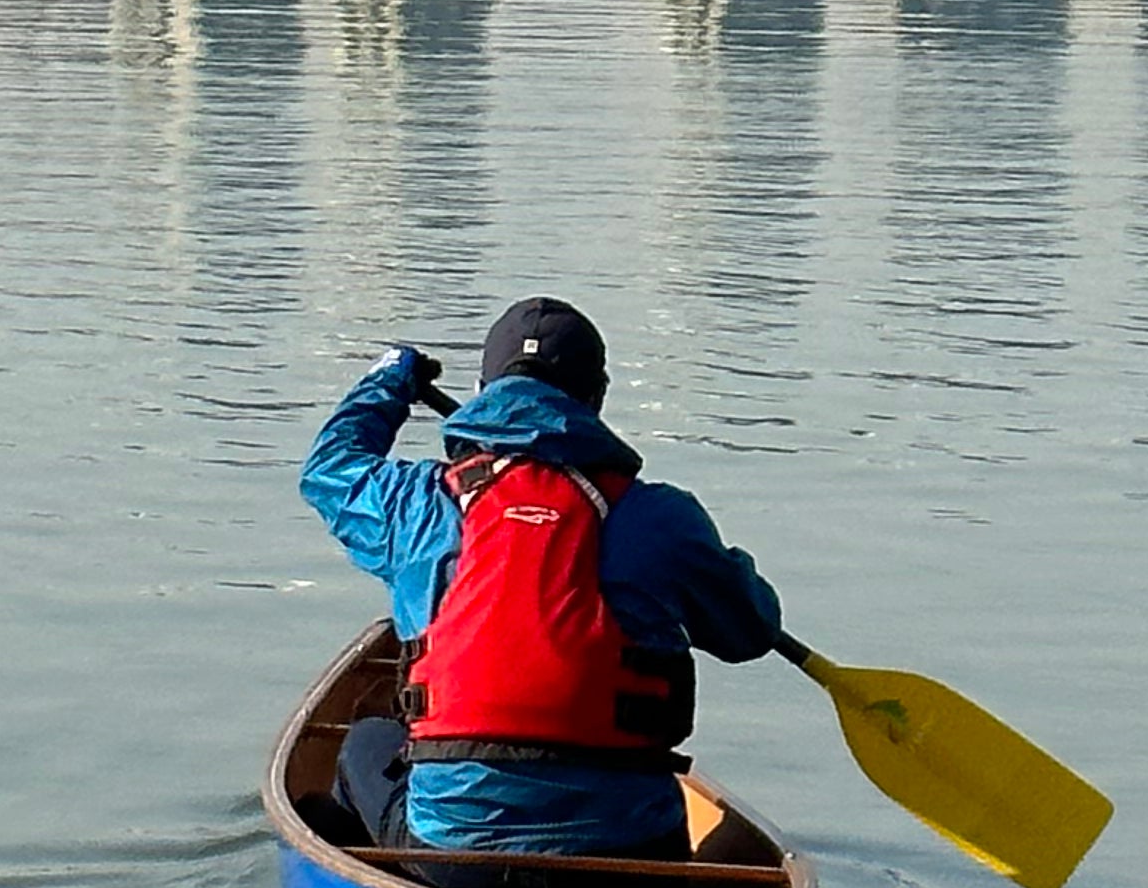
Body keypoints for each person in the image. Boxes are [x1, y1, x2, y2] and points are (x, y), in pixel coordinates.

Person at [299, 296, 795, 857]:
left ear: (486, 393)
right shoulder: (665, 518)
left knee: (364, 741)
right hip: (635, 855)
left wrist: (387, 383)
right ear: (597, 398)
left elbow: (330, 469)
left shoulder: (418, 505)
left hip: (456, 856)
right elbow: (751, 631)